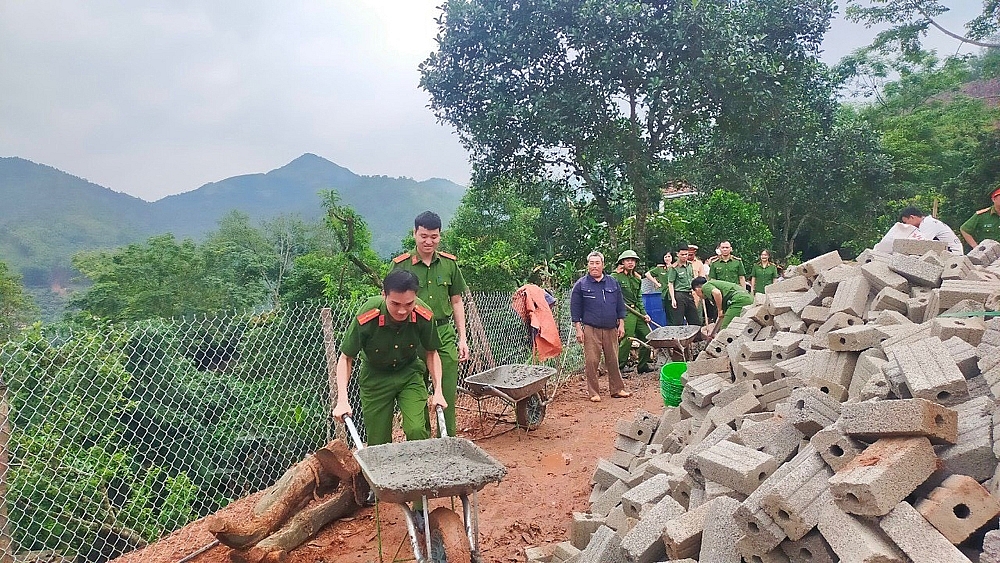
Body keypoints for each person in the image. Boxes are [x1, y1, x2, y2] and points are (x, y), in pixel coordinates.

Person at [331, 270, 447, 446]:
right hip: (375, 377)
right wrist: (342, 400)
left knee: (417, 430)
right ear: (384, 294)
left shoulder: (424, 314)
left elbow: (432, 352)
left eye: (409, 304)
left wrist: (438, 391)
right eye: (395, 304)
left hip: (409, 374)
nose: (402, 311)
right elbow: (346, 358)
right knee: (378, 442)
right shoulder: (369, 314)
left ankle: (420, 472)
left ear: (416, 296)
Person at [391, 211, 468, 438]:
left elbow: (456, 301)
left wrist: (462, 337)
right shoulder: (401, 266)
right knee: (416, 392)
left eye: (434, 236)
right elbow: (391, 305)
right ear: (415, 234)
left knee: (446, 391)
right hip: (412, 335)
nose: (428, 241)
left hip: (443, 333)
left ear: (439, 236)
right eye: (424, 236)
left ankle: (449, 440)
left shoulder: (449, 264)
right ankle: (423, 443)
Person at [571, 251, 630, 402]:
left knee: (613, 360)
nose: (594, 266)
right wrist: (578, 329)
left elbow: (620, 305)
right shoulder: (581, 285)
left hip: (611, 328)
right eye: (592, 263)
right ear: (588, 265)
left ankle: (617, 389)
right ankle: (594, 393)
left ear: (603, 265)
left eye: (597, 263)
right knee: (591, 361)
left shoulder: (612, 282)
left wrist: (621, 324)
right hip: (591, 329)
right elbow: (575, 309)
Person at [611, 250, 653, 374]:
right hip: (625, 312)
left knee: (648, 338)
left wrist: (644, 313)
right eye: (628, 260)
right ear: (622, 262)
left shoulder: (637, 278)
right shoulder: (615, 277)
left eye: (633, 260)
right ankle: (620, 367)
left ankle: (643, 365)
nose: (630, 262)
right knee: (627, 339)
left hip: (636, 312)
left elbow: (639, 298)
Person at [667, 244, 703, 327]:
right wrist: (673, 299)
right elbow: (671, 283)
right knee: (678, 321)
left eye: (686, 254)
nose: (684, 256)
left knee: (694, 320)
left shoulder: (690, 265)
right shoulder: (674, 268)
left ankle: (696, 339)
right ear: (677, 254)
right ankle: (678, 339)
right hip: (679, 295)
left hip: (689, 294)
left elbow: (693, 280)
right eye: (682, 254)